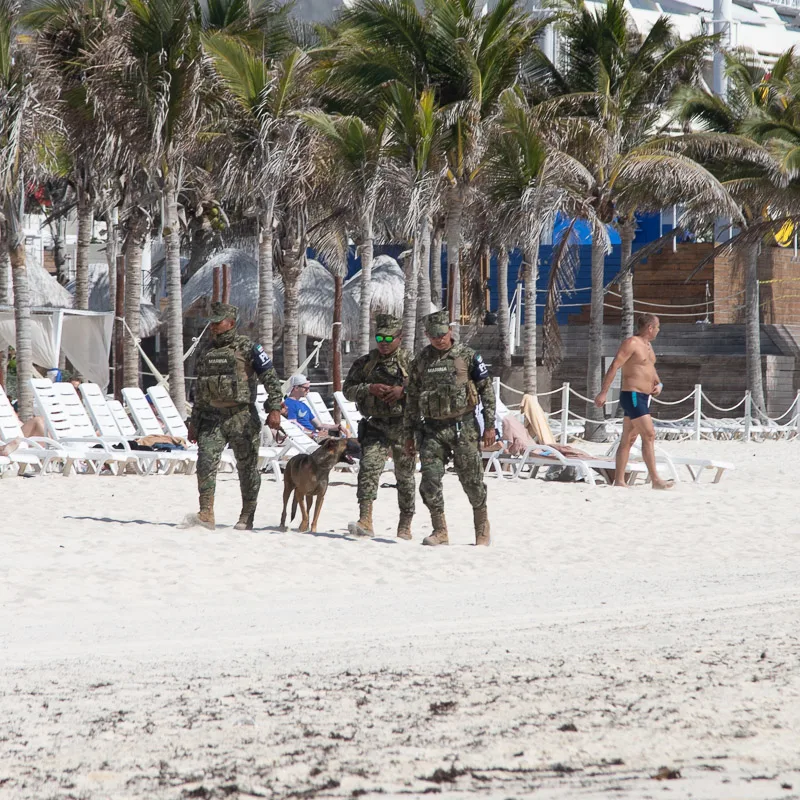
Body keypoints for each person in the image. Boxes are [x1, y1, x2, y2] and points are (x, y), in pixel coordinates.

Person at [186, 302, 283, 530]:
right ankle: (206, 512)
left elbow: (271, 378)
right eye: (211, 322)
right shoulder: (205, 350)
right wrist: (194, 422)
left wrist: (275, 408)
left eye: (217, 322)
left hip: (241, 416)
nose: (213, 326)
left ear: (231, 323)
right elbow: (200, 390)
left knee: (247, 467)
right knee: (205, 462)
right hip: (212, 417)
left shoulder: (249, 348)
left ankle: (247, 514)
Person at [404, 310, 496, 546]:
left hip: (463, 426)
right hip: (432, 430)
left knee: (472, 481)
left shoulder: (468, 356)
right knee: (430, 480)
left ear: (450, 331)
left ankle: (482, 529)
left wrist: (489, 426)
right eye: (434, 336)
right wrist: (410, 435)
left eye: (443, 334)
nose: (439, 339)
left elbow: (486, 391)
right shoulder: (422, 361)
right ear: (427, 335)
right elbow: (412, 399)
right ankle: (440, 530)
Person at [343, 313, 415, 540]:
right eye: (379, 338)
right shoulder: (365, 363)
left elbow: (425, 392)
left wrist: (402, 392)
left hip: (403, 426)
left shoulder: (411, 363)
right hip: (374, 425)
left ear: (399, 338)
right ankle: (365, 519)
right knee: (368, 469)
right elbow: (348, 390)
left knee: (405, 475)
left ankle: (405, 524)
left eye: (389, 339)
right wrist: (369, 388)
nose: (383, 344)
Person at [594, 313, 673, 490]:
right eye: (657, 327)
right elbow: (615, 365)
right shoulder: (632, 343)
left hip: (644, 396)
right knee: (649, 434)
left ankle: (619, 481)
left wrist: (658, 383)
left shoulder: (648, 346)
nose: (659, 330)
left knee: (628, 440)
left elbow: (649, 368)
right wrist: (603, 392)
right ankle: (655, 480)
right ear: (650, 327)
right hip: (633, 395)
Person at [284, 374, 342, 438]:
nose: (308, 391)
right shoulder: (289, 404)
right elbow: (294, 428)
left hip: (316, 436)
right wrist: (316, 434)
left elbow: (319, 425)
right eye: (306, 388)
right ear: (296, 388)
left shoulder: (303, 405)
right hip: (309, 439)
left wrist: (339, 427)